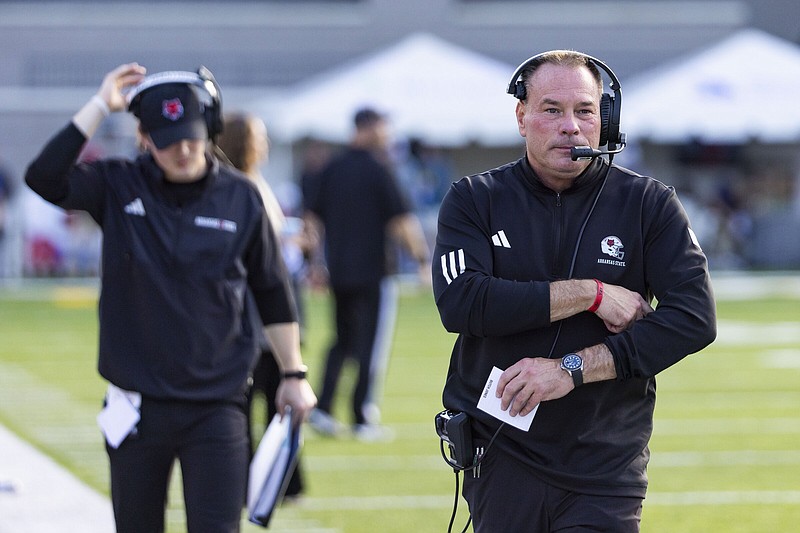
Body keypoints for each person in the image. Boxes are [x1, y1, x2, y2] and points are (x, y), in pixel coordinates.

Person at [24, 63, 316, 533]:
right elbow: (44, 177)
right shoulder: (117, 185)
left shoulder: (241, 197)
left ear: (210, 130)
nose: (182, 150)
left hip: (218, 404)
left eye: (191, 137)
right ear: (144, 137)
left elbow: (271, 288)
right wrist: (100, 105)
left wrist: (293, 373)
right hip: (137, 407)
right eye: (166, 140)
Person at [432, 50, 716, 532]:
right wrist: (591, 293)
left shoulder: (649, 203)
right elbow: (463, 302)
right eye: (551, 110)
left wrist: (570, 370)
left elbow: (693, 320)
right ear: (522, 117)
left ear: (605, 119)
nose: (571, 126)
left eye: (585, 110)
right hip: (502, 453)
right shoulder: (474, 198)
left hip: (605, 461)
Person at [303, 107, 430, 441]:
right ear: (369, 128)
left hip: (340, 272)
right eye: (383, 128)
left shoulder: (331, 168)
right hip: (374, 272)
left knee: (341, 342)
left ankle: (323, 409)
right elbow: (402, 219)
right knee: (369, 346)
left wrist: (314, 263)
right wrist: (421, 259)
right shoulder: (379, 169)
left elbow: (311, 220)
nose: (387, 135)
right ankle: (361, 417)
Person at [216, 110, 307, 499]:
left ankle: (273, 484)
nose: (265, 144)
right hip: (256, 316)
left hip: (262, 313)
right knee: (261, 402)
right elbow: (260, 258)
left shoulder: (250, 185)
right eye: (259, 137)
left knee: (270, 403)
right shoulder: (242, 188)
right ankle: (268, 484)